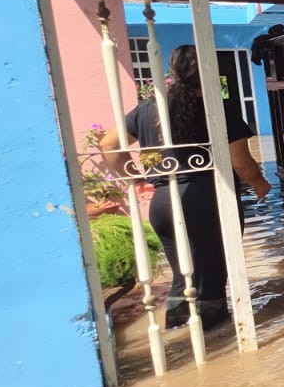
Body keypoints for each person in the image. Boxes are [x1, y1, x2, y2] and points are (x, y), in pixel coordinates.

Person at [101, 45, 272, 330]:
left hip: (163, 204)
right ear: (208, 71)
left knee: (183, 274)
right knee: (213, 273)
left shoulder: (148, 107)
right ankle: (215, 339)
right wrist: (260, 184)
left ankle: (179, 334)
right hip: (206, 201)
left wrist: (135, 178)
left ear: (173, 70)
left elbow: (108, 145)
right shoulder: (216, 109)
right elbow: (240, 162)